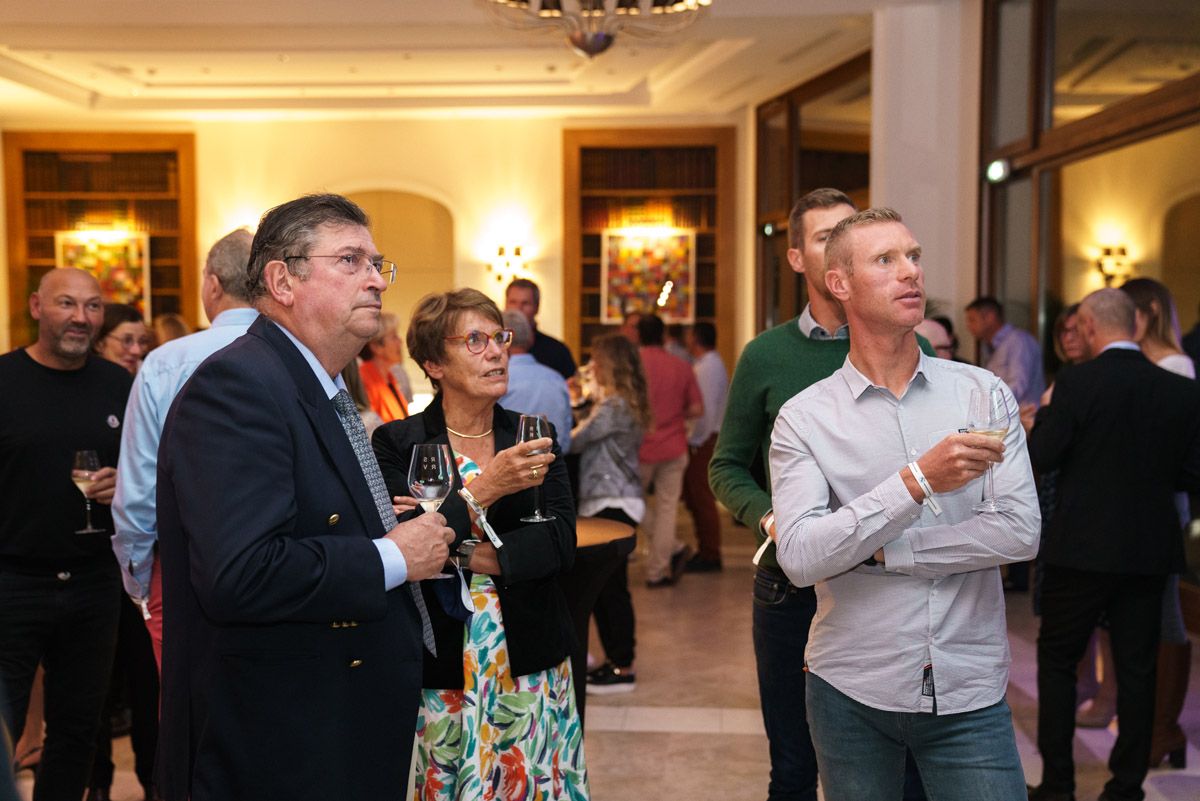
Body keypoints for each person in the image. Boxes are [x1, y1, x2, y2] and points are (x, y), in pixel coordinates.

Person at [155, 194, 454, 801]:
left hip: (329, 720)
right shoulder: (238, 384)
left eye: (377, 263)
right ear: (282, 281)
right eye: (350, 260)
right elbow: (241, 573)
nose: (377, 280)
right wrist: (393, 556)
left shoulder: (312, 381)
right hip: (279, 739)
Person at [770, 208, 1039, 800]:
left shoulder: (982, 393)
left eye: (913, 256)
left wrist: (888, 552)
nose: (910, 271)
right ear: (839, 283)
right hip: (851, 688)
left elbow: (1020, 531)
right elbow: (802, 557)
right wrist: (916, 481)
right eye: (885, 260)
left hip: (969, 691)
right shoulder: (805, 418)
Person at [373, 289, 587, 800]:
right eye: (474, 340)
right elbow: (404, 548)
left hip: (528, 657)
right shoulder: (397, 444)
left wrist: (455, 549)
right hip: (442, 662)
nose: (496, 352)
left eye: (498, 338)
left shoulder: (532, 434)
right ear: (434, 363)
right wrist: (487, 488)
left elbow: (559, 544)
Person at [709, 187, 857, 801]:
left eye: (852, 232)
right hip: (790, 586)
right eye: (826, 237)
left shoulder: (910, 347)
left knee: (885, 770)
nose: (843, 247)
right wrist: (771, 517)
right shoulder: (766, 355)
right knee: (794, 767)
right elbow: (726, 467)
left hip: (884, 583)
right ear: (797, 257)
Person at [1026, 288, 1200, 801]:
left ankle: (1058, 785)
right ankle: (1125, 788)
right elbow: (1191, 474)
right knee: (1137, 668)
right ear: (1135, 325)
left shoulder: (1075, 382)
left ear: (1090, 326)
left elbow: (1042, 456)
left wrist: (1041, 420)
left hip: (1080, 546)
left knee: (1059, 662)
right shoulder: (1179, 389)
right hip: (1148, 548)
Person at [0, 268, 132, 801]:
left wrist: (126, 483)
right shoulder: (4, 380)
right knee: (3, 727)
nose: (81, 317)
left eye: (93, 306)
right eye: (67, 304)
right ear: (36, 307)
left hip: (94, 581)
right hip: (13, 582)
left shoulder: (119, 385)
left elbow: (151, 472)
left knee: (78, 732)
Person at [112, 228, 259, 671]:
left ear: (212, 284)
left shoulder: (165, 362)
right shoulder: (298, 356)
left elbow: (139, 487)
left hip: (180, 563)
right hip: (279, 562)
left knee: (183, 697)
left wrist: (138, 575)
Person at [1120, 277, 1195, 770]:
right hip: (1138, 502)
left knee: (1166, 611)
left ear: (1147, 312)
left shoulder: (1174, 365)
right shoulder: (1146, 362)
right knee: (1145, 612)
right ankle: (1151, 725)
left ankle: (1164, 727)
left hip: (1162, 503)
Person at [90, 310, 163, 801]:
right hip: (92, 560)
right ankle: (95, 783)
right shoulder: (92, 390)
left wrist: (128, 485)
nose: (135, 350)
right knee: (94, 688)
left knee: (147, 684)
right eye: (126, 340)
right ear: (102, 343)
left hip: (141, 561)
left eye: (143, 340)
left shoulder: (149, 389)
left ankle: (152, 782)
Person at [571, 333, 651, 694]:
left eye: (596, 360)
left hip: (612, 500)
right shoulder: (618, 403)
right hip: (614, 498)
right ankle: (617, 661)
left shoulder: (615, 406)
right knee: (606, 587)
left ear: (609, 364)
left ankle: (622, 666)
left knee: (610, 588)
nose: (591, 366)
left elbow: (575, 440)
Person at [636, 313, 703, 587]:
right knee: (667, 508)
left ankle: (672, 550)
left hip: (639, 447)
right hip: (674, 445)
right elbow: (697, 409)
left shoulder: (633, 366)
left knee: (632, 501)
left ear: (638, 335)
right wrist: (675, 414)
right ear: (663, 336)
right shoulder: (681, 366)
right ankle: (658, 570)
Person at [682, 321, 728, 572]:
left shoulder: (709, 367)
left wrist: (695, 440)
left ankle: (710, 553)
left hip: (705, 438)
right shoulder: (706, 364)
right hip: (704, 437)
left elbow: (705, 411)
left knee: (702, 497)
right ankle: (705, 549)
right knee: (695, 495)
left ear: (695, 338)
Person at [498, 309, 574, 454]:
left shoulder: (498, 379)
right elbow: (565, 440)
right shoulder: (557, 379)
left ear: (503, 340)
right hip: (553, 461)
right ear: (531, 339)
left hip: (506, 464)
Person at [964, 296, 1046, 407]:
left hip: (1024, 414)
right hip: (1007, 413)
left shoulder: (1018, 340)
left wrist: (987, 405)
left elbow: (1018, 385)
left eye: (972, 320)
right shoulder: (991, 345)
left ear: (990, 317)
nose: (968, 326)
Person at [505, 278, 577, 379]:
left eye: (525, 303)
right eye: (513, 302)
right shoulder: (493, 347)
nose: (518, 308)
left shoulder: (557, 351)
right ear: (505, 304)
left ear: (537, 307)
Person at [358, 311, 409, 423]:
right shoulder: (364, 380)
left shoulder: (390, 378)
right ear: (376, 346)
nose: (400, 342)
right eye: (394, 337)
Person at [95, 303, 151, 375]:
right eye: (127, 341)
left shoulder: (151, 376)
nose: (137, 351)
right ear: (98, 343)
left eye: (142, 341)